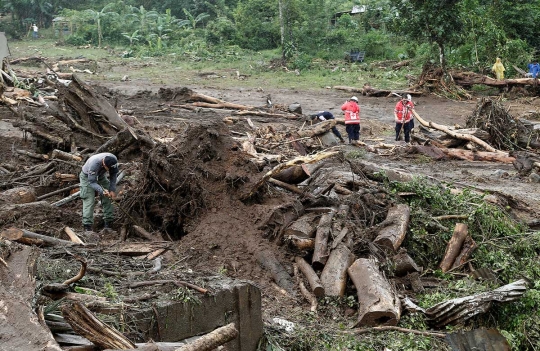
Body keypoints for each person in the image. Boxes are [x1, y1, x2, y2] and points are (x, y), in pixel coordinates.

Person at [80, 153, 119, 231]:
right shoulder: (94, 163)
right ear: (104, 164)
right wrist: (101, 191)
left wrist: (112, 190)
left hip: (100, 175)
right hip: (87, 177)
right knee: (89, 200)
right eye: (108, 168)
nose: (109, 170)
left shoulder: (113, 160)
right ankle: (87, 226)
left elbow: (113, 175)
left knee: (109, 198)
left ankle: (108, 222)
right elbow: (92, 182)